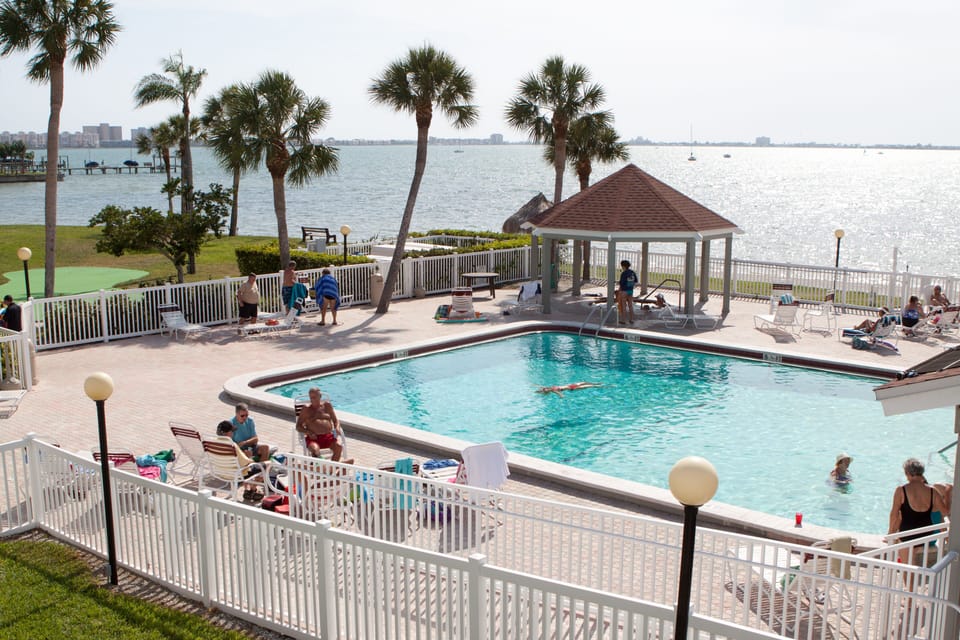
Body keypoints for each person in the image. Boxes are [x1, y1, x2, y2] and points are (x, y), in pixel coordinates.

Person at [889, 458, 949, 565]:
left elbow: (894, 514)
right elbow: (945, 512)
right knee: (911, 561)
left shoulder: (901, 490)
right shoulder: (932, 491)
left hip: (908, 534)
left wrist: (891, 533)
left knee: (906, 564)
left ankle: (910, 582)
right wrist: (947, 496)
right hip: (926, 534)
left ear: (907, 473)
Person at [295, 387, 352, 462]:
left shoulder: (327, 406)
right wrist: (308, 432)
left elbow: (335, 420)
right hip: (314, 438)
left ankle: (331, 469)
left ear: (320, 396)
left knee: (338, 448)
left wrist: (337, 427)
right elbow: (298, 426)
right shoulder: (307, 409)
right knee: (315, 451)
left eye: (314, 397)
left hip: (328, 437)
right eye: (311, 397)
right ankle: (322, 468)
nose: (312, 399)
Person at [536, 382, 602, 397]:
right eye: (545, 390)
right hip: (571, 388)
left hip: (570, 386)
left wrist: (538, 391)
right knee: (586, 386)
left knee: (583, 383)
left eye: (545, 389)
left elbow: (541, 387)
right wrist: (561, 396)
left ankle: (596, 384)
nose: (546, 389)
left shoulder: (551, 388)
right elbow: (560, 394)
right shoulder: (553, 390)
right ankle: (596, 385)